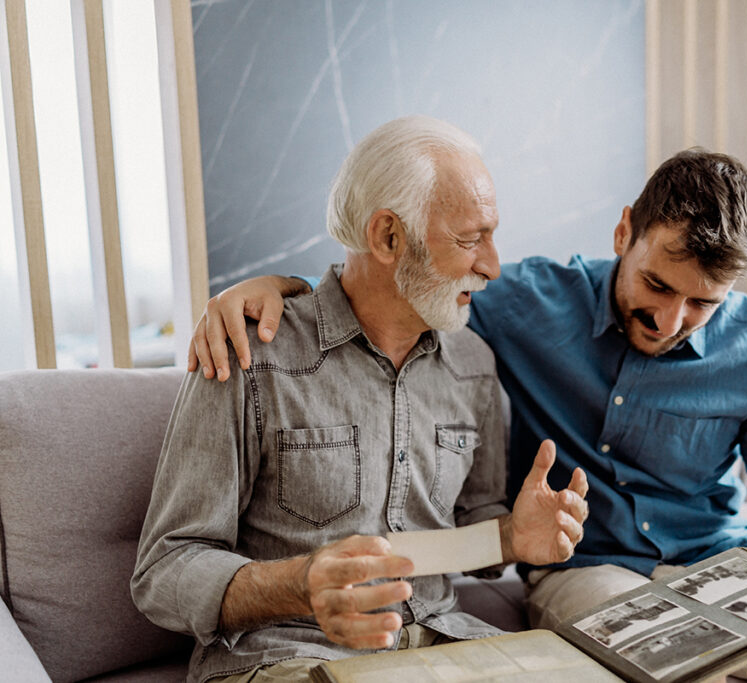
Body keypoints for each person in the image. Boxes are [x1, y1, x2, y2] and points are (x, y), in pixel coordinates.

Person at [189, 146, 747, 682]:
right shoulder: (527, 302)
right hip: (590, 573)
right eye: (658, 287)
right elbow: (397, 287)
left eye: (704, 303)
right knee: (687, 665)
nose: (671, 321)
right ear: (625, 229)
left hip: (723, 566)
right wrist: (275, 288)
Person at [132, 116, 588, 683]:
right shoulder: (249, 354)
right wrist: (300, 583)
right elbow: (164, 570)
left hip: (442, 641)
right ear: (388, 237)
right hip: (288, 653)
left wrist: (513, 538)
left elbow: (464, 535)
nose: (493, 265)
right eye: (470, 240)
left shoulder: (473, 364)